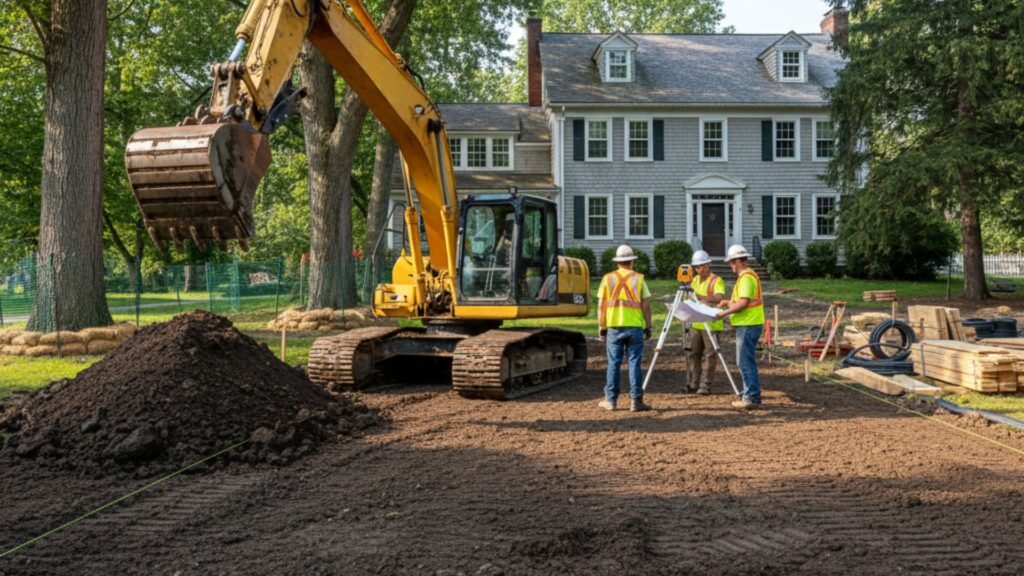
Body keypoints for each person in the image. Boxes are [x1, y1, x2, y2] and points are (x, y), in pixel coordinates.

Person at [597, 244, 653, 412]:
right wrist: (648, 326)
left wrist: (602, 326)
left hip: (614, 327)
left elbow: (601, 305)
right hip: (635, 326)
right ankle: (636, 401)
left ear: (618, 262)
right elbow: (646, 306)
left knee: (613, 363)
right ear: (632, 262)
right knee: (634, 363)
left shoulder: (608, 279)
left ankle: (611, 401)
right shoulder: (639, 279)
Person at [716, 244, 765, 410]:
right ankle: (751, 395)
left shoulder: (745, 278)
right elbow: (744, 300)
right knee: (745, 361)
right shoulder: (749, 276)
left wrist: (723, 313)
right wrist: (729, 302)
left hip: (748, 324)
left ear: (739, 261)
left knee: (744, 362)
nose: (731, 265)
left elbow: (743, 303)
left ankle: (750, 397)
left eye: (732, 262)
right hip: (750, 323)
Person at [687, 250, 726, 394]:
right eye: (696, 267)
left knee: (710, 355)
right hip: (695, 322)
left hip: (711, 323)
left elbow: (719, 297)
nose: (699, 270)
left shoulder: (717, 280)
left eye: (701, 266)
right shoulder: (695, 280)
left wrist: (700, 297)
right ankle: (693, 383)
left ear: (708, 265)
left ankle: (705, 385)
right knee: (693, 353)